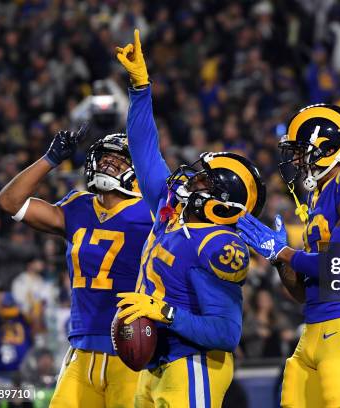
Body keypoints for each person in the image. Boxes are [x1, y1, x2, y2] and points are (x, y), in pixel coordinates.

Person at [114, 29, 267, 407]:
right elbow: (145, 152)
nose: (190, 180)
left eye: (203, 180)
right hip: (156, 367)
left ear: (223, 200)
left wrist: (163, 312)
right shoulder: (172, 214)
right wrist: (140, 88)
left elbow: (226, 332)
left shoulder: (221, 244)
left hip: (194, 366)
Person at [237, 103, 340, 407]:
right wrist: (278, 260)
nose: (296, 159)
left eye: (301, 150)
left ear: (327, 147)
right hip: (312, 329)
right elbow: (302, 293)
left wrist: (285, 252)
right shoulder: (318, 195)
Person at [0, 125, 153, 407]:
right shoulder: (77, 205)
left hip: (132, 349)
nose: (108, 163)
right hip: (81, 349)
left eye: (119, 160)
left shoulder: (153, 214)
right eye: (105, 157)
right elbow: (9, 201)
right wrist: (50, 159)